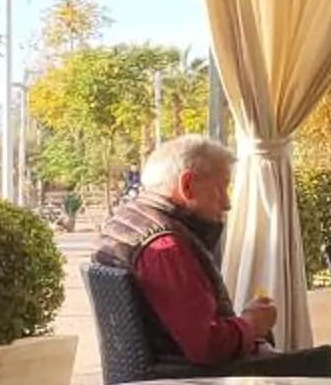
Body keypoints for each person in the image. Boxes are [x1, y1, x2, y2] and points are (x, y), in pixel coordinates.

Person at [95, 135, 275, 365]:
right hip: (186, 384)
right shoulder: (164, 248)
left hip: (157, 377)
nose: (227, 203)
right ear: (187, 185)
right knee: (315, 367)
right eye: (222, 187)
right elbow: (208, 346)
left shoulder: (123, 222)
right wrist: (252, 323)